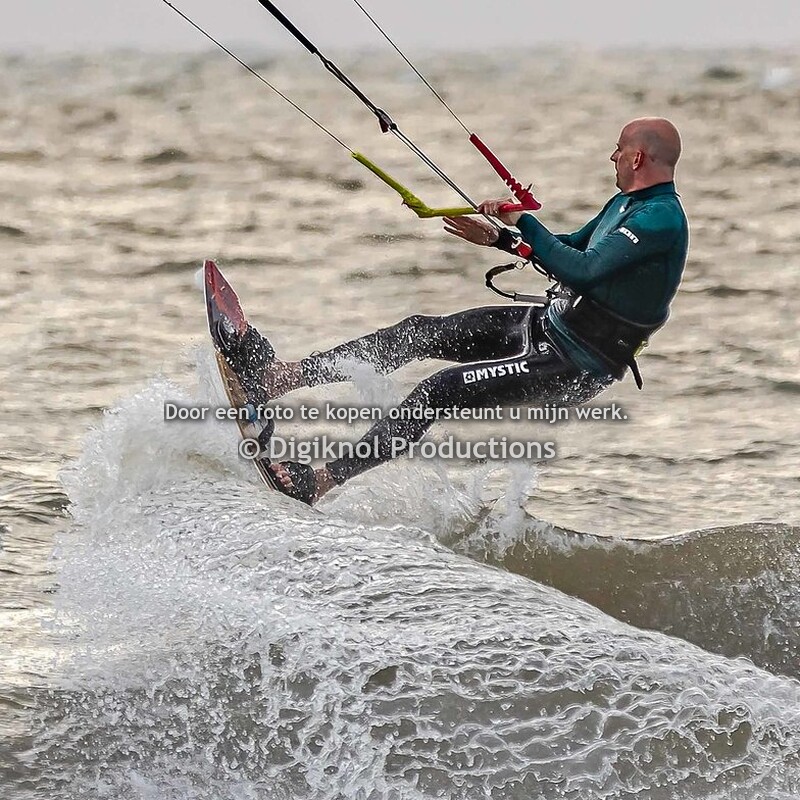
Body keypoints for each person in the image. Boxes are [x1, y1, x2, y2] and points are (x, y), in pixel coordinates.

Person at [240, 117, 688, 505]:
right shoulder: (625, 205)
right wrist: (500, 238)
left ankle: (319, 481)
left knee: (439, 389)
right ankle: (280, 378)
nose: (611, 155)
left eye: (620, 148)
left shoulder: (661, 219)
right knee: (421, 332)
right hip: (549, 327)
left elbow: (583, 271)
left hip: (576, 363)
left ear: (637, 159)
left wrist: (522, 222)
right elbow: (570, 247)